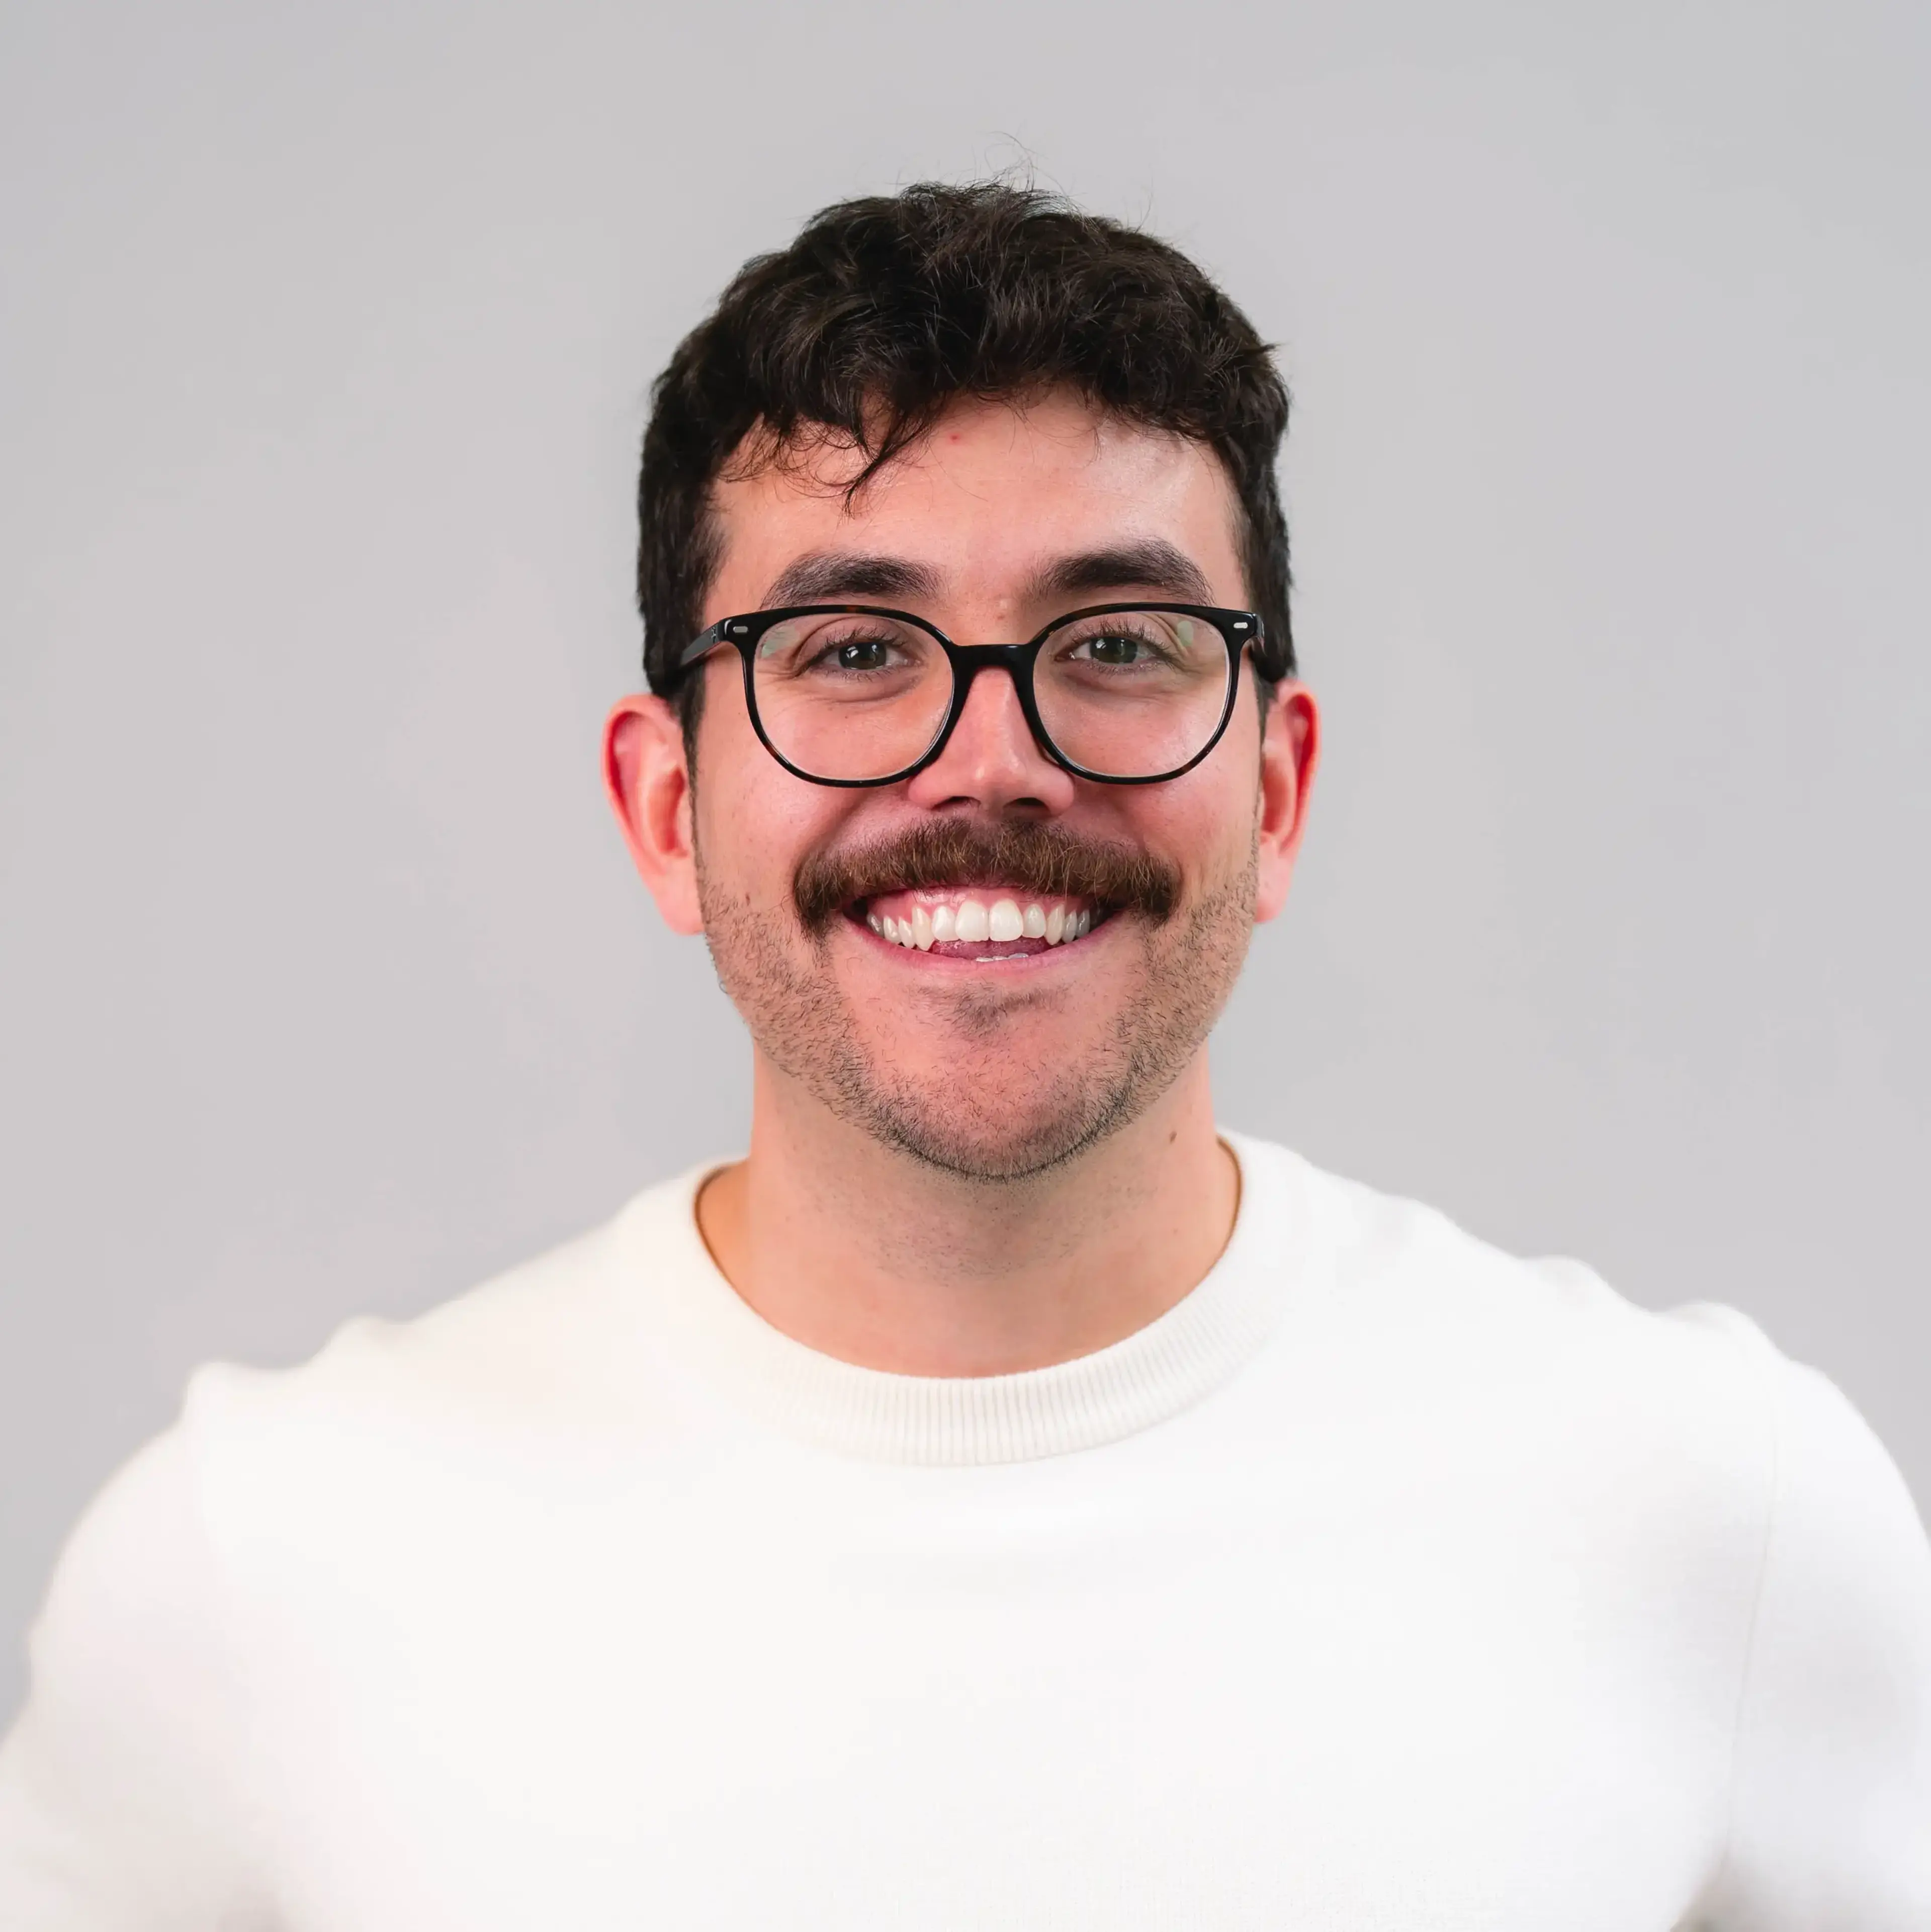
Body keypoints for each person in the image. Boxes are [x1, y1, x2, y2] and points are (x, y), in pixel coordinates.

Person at [2, 181, 1926, 1930]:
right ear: (666, 810)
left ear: (1277, 788)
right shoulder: (258, 1570)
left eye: (1121, 642)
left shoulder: (1720, 1518)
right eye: (852, 651)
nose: (992, 763)